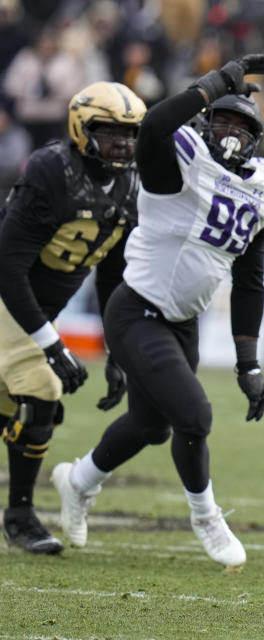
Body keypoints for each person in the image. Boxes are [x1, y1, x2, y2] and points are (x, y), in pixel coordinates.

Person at [51, 54, 264, 568]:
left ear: (257, 138)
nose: (230, 134)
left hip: (182, 321)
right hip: (135, 310)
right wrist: (219, 80)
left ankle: (78, 481)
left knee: (150, 426)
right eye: (221, 120)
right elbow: (156, 123)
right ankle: (205, 517)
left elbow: (249, 277)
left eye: (242, 126)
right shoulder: (175, 160)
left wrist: (249, 362)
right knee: (194, 416)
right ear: (202, 124)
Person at [0, 81, 145, 553]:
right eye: (110, 132)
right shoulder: (52, 170)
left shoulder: (129, 182)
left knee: (8, 406)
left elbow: (111, 274)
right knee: (43, 391)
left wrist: (116, 349)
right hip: (8, 298)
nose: (122, 143)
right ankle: (20, 516)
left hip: (33, 309)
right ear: (82, 128)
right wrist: (52, 344)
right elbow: (7, 267)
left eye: (129, 134)